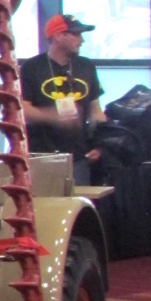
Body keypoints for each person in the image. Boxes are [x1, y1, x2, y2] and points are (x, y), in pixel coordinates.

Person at [20, 13, 106, 184]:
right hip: (41, 157)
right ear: (58, 36)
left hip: (79, 158)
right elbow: (22, 110)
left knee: (79, 205)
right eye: (76, 35)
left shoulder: (86, 66)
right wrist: (53, 116)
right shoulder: (32, 67)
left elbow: (96, 110)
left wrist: (100, 143)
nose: (81, 40)